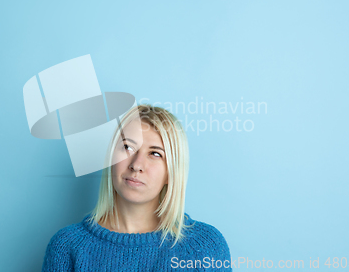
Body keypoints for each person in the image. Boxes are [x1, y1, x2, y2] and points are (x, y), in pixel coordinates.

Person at [41, 104, 232, 271]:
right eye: (127, 147)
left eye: (155, 154)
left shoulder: (205, 246)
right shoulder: (67, 246)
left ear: (171, 173)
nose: (136, 164)